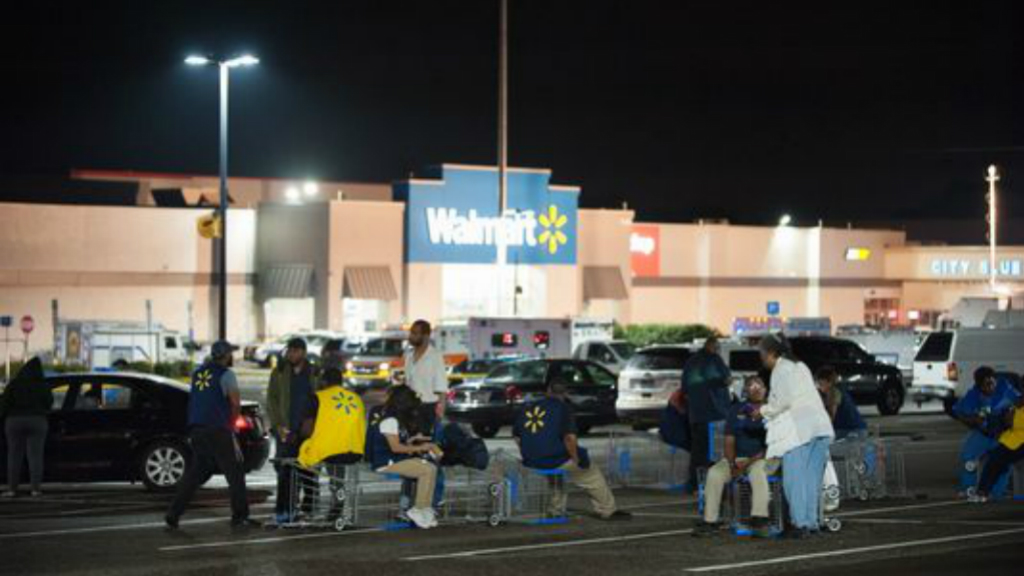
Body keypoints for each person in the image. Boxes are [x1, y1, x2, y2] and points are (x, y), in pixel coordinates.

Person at [513, 378, 631, 521]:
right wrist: (576, 458)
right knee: (591, 475)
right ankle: (608, 510)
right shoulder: (563, 409)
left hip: (531, 461)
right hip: (554, 458)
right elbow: (569, 438)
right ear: (565, 393)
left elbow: (517, 437)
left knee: (557, 476)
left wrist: (528, 454)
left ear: (548, 391)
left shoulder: (528, 407)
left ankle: (556, 509)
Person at [166, 341, 254, 529]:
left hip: (197, 429)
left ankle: (174, 513)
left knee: (196, 472)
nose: (231, 357)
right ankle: (240, 516)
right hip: (218, 429)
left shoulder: (197, 373)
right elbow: (235, 403)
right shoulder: (227, 375)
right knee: (235, 473)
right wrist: (232, 425)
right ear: (226, 355)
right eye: (230, 353)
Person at [758, 334, 834, 539]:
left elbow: (782, 402)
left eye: (762, 353)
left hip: (799, 431)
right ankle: (812, 523)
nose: (761, 358)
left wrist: (761, 411)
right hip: (820, 427)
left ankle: (801, 524)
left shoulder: (781, 369)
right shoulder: (800, 365)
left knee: (795, 480)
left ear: (771, 353)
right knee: (811, 480)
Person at [694, 376, 776, 538]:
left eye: (760, 386)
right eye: (752, 386)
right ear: (745, 391)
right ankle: (710, 521)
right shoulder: (736, 409)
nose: (756, 389)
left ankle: (759, 519)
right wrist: (732, 465)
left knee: (758, 472)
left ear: (766, 389)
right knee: (714, 473)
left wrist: (746, 464)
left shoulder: (772, 410)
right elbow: (729, 440)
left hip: (764, 458)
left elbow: (771, 446)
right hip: (738, 459)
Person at [366, 385, 442, 529]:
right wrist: (421, 447)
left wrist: (413, 440)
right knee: (426, 470)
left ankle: (425, 509)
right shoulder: (390, 421)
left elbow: (398, 443)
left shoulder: (395, 420)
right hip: (385, 463)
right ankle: (418, 509)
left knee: (431, 467)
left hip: (394, 460)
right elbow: (395, 447)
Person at [266, 337, 319, 523]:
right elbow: (271, 400)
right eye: (289, 351)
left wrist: (315, 424)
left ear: (303, 352)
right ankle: (285, 509)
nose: (291, 354)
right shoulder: (279, 372)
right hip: (286, 430)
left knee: (308, 471)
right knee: (285, 470)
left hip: (309, 431)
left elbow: (321, 399)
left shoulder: (314, 372)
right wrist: (277, 425)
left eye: (295, 351)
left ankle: (309, 507)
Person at [951, 366, 1020, 498]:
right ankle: (968, 489)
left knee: (1003, 462)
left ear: (995, 380)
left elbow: (1019, 402)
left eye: (991, 383)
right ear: (979, 386)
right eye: (985, 385)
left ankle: (997, 493)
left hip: (1003, 434)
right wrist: (972, 420)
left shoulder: (1005, 388)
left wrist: (1011, 414)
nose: (990, 388)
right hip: (984, 434)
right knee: (968, 457)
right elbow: (959, 412)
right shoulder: (973, 395)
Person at [402, 319, 449, 504]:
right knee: (412, 454)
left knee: (431, 456)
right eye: (411, 332)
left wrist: (439, 411)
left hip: (429, 410)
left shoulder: (435, 356)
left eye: (415, 333)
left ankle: (436, 498)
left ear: (426, 335)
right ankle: (411, 498)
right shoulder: (408, 355)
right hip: (411, 411)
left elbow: (442, 387)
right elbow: (407, 384)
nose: (411, 336)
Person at [682, 336, 732, 491]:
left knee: (698, 452)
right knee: (717, 453)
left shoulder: (691, 362)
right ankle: (715, 487)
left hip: (696, 415)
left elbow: (684, 388)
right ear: (712, 347)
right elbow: (725, 379)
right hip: (715, 414)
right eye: (717, 347)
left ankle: (695, 485)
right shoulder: (714, 360)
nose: (718, 350)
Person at [0, 357, 53, 498]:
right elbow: (49, 402)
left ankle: (12, 489)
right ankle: (35, 489)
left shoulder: (14, 384)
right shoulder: (42, 385)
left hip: (14, 421)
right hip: (37, 420)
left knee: (14, 456)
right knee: (35, 457)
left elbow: (4, 403)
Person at [972, 393, 1024, 503]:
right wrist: (1009, 413)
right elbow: (1007, 422)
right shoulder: (1014, 405)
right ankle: (982, 492)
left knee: (998, 461)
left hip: (1018, 441)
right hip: (1011, 440)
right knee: (993, 460)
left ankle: (984, 491)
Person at [815, 366, 866, 440]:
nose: (819, 387)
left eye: (821, 384)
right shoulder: (829, 393)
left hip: (853, 430)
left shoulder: (836, 392)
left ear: (829, 383)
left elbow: (831, 417)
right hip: (846, 429)